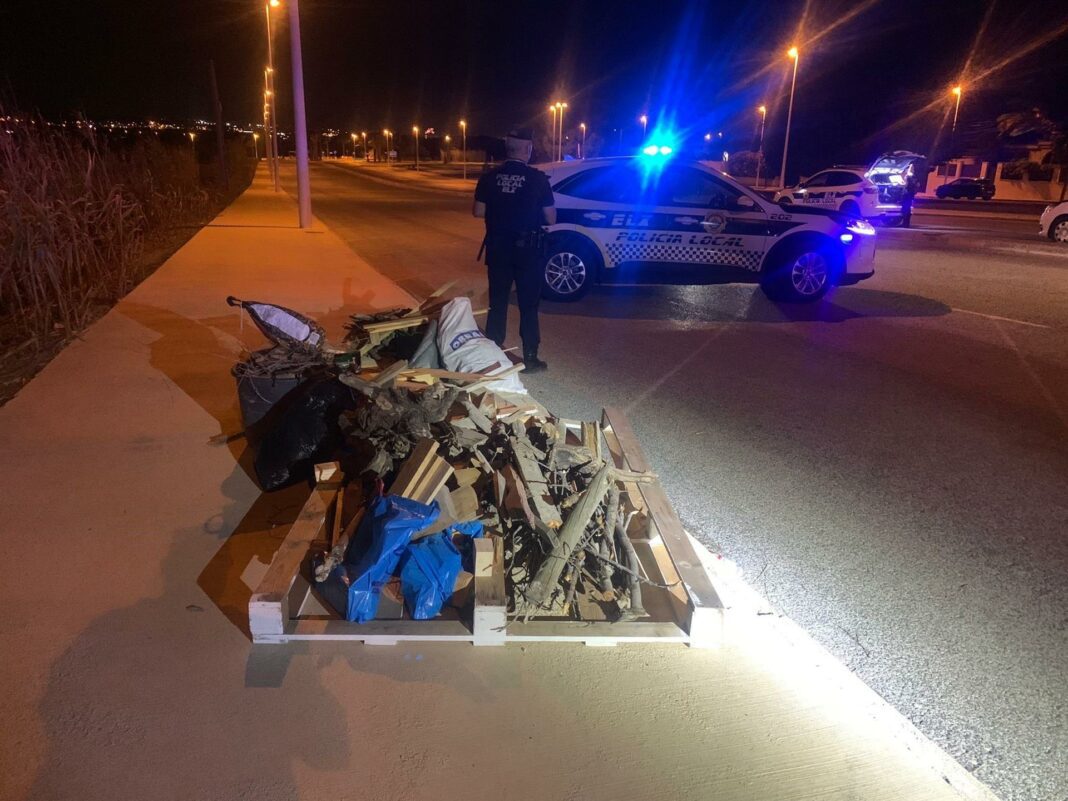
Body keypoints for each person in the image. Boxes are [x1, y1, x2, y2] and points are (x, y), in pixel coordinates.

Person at [472, 128, 556, 372]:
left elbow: (478, 211)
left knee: (497, 302)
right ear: (527, 150)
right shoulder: (538, 179)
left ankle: (493, 356)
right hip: (528, 251)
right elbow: (550, 218)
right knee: (528, 305)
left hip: (498, 248)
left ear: (508, 150)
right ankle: (530, 357)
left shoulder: (489, 177)